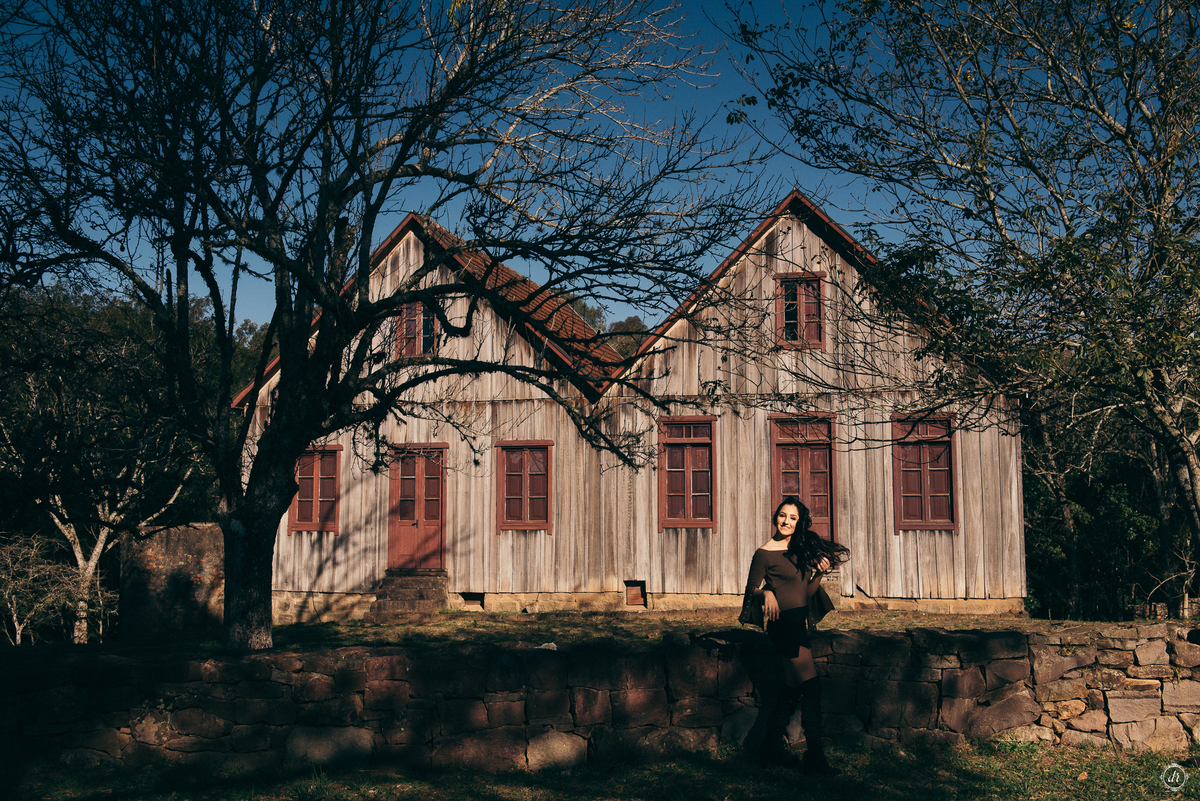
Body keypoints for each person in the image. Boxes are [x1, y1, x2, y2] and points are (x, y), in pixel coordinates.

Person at [742, 495, 850, 774]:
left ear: (799, 522)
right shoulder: (764, 553)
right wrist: (766, 591)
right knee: (811, 687)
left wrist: (819, 575)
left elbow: (806, 593)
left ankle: (771, 747)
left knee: (792, 686)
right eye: (782, 515)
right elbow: (750, 590)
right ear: (775, 516)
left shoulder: (799, 549)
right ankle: (815, 757)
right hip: (783, 624)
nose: (786, 521)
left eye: (792, 517)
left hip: (797, 622)